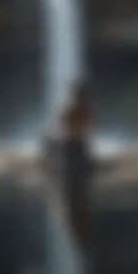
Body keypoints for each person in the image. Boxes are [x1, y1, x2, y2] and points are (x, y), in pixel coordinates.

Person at [60, 80, 95, 252]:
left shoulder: (79, 108)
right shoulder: (74, 108)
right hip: (74, 144)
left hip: (77, 144)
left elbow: (86, 127)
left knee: (78, 183)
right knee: (75, 182)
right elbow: (70, 126)